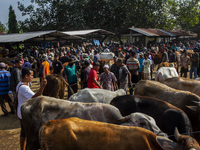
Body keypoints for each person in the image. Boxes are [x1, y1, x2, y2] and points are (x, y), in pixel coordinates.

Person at [16, 67, 47, 150]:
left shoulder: (20, 84)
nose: (32, 77)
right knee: (29, 134)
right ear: (26, 76)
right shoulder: (24, 88)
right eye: (31, 75)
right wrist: (43, 86)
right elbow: (36, 97)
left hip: (20, 111)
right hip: (24, 113)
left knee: (23, 133)